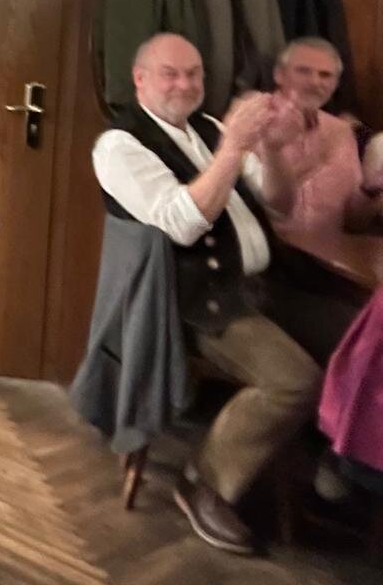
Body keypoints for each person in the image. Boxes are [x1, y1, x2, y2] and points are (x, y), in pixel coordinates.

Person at [92, 33, 320, 556]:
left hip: (265, 287)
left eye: (194, 73)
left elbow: (281, 204)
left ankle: (330, 473)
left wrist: (273, 150)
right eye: (170, 73)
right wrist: (234, 148)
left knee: (359, 338)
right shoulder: (119, 145)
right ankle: (204, 480)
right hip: (195, 303)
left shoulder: (210, 128)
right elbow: (182, 223)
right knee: (294, 381)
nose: (186, 84)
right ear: (139, 79)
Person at [257, 36, 383, 236]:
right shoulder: (251, 122)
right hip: (272, 249)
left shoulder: (343, 131)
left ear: (335, 84)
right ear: (279, 75)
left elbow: (353, 223)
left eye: (325, 75)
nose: (315, 82)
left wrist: (369, 189)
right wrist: (307, 165)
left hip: (333, 250)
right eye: (303, 71)